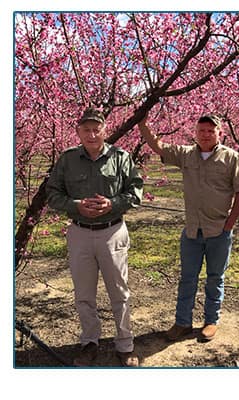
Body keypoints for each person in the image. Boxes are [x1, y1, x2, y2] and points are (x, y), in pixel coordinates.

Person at [138, 112, 239, 342]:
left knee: (215, 278)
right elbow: (158, 146)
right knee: (187, 278)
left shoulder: (232, 158)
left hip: (218, 230)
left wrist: (229, 224)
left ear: (220, 133)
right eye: (202, 131)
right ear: (196, 133)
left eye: (211, 130)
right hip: (192, 231)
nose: (206, 134)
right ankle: (182, 323)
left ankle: (211, 321)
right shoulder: (186, 155)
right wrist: (143, 122)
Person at [46, 107, 143, 367]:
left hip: (113, 232)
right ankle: (90, 342)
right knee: (84, 294)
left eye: (96, 129)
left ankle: (125, 344)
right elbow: (52, 193)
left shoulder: (121, 157)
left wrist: (113, 204)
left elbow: (135, 192)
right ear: (78, 132)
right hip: (79, 233)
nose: (91, 134)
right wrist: (74, 205)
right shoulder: (67, 159)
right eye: (86, 129)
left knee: (119, 292)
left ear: (104, 130)